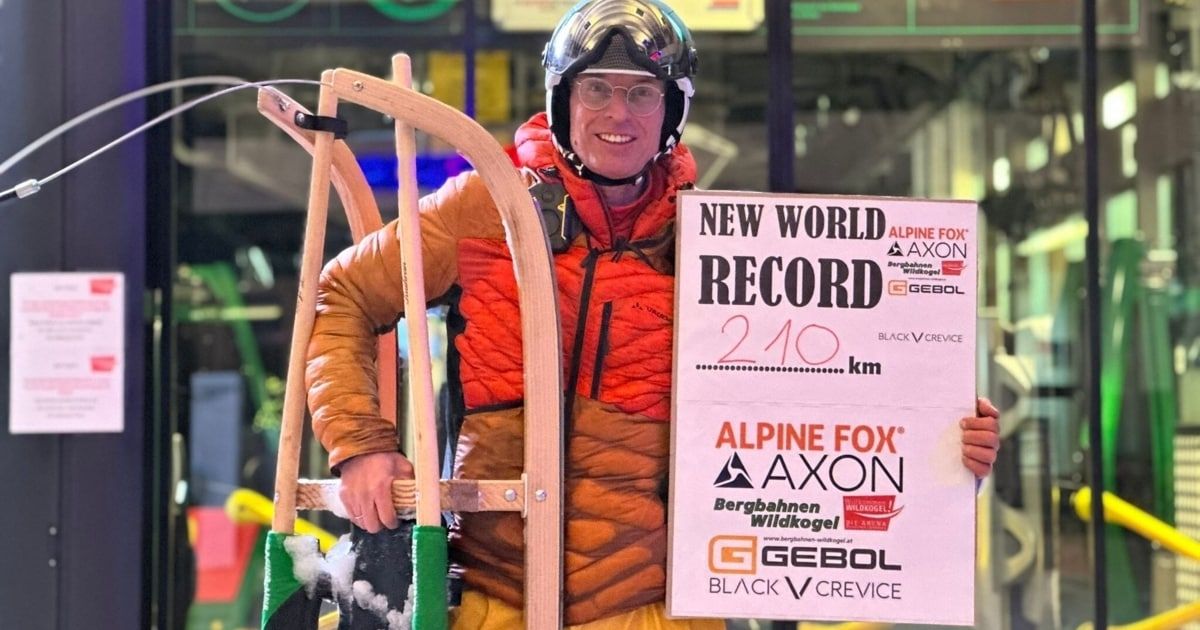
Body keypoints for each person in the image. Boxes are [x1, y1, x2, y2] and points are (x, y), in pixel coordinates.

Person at [304, 0, 1002, 627]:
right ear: (562, 97)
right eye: (597, 88)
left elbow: (822, 399)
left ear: (672, 111)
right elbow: (342, 295)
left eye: (643, 93)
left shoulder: (724, 246)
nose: (619, 114)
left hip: (655, 604)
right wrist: (361, 444)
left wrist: (937, 440)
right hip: (495, 597)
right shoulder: (485, 209)